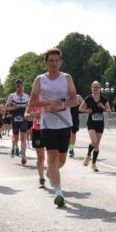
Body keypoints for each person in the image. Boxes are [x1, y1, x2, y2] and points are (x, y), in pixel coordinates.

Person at [30, 48, 79, 207]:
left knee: (61, 160)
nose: (54, 63)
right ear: (46, 63)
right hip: (47, 123)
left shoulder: (66, 78)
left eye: (56, 60)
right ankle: (58, 192)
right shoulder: (40, 79)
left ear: (60, 62)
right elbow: (32, 102)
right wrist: (48, 104)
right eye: (51, 60)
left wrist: (62, 104)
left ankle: (51, 171)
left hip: (64, 122)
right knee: (51, 156)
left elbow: (75, 100)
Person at [80, 81, 112, 171]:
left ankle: (93, 164)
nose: (96, 88)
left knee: (97, 145)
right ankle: (88, 155)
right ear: (91, 88)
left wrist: (103, 107)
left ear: (100, 88)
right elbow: (80, 108)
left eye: (97, 87)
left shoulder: (103, 99)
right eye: (94, 87)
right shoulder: (88, 98)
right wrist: (87, 110)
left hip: (100, 123)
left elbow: (109, 111)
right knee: (93, 142)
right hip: (91, 123)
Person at [6, 80, 31, 165]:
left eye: (20, 86)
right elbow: (6, 107)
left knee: (23, 138)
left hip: (24, 119)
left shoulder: (27, 96)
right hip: (15, 119)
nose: (19, 88)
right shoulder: (12, 96)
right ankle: (14, 146)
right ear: (15, 87)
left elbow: (30, 107)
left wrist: (30, 113)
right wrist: (14, 107)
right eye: (17, 86)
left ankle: (23, 155)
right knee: (15, 138)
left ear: (23, 87)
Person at [25, 104, 47, 188]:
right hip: (37, 131)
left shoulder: (50, 98)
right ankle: (41, 178)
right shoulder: (34, 100)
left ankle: (51, 171)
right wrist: (33, 115)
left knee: (53, 155)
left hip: (50, 130)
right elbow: (25, 115)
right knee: (41, 157)